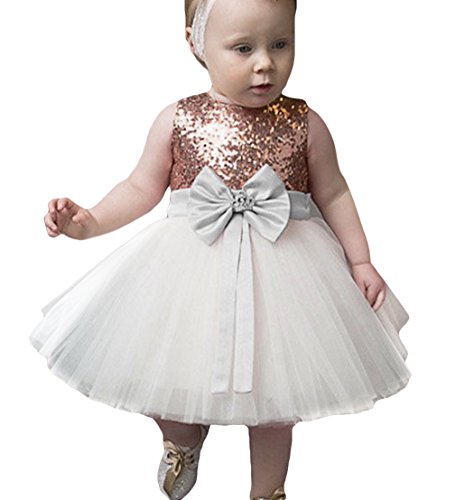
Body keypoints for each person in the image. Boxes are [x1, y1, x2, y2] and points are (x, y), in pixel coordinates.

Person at [29, 0, 412, 499]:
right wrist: (89, 221)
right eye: (243, 48)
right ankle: (183, 440)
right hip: (190, 273)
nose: (265, 63)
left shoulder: (305, 123)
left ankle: (268, 490)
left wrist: (360, 259)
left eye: (280, 44)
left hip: (286, 278)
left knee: (278, 397)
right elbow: (140, 187)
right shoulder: (178, 119)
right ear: (196, 43)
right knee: (168, 368)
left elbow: (334, 192)